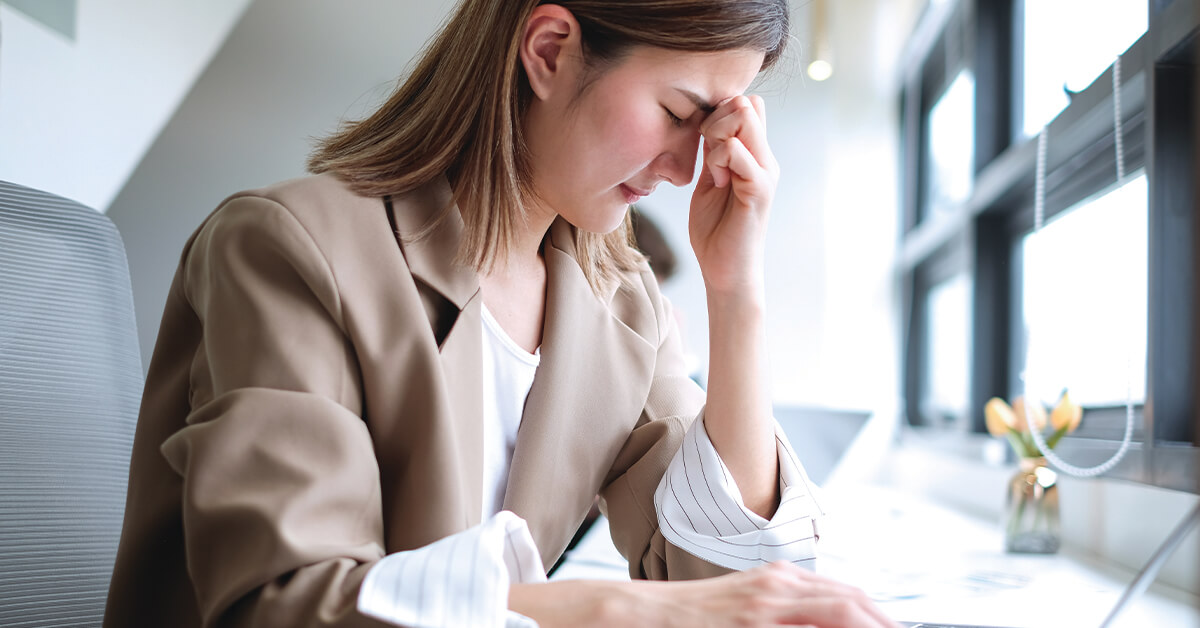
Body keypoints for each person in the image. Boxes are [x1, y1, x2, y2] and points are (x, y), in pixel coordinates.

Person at [104, 1, 898, 626]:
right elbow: (285, 605)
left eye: (715, 126)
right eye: (677, 111)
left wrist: (736, 294)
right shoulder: (289, 249)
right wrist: (621, 612)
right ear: (549, 51)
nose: (689, 168)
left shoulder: (621, 310)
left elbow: (735, 593)